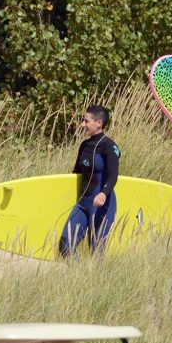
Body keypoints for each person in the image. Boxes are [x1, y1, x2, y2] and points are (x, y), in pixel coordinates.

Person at [59, 105, 121, 257]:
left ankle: (96, 278)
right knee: (65, 244)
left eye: (86, 121)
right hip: (82, 204)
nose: (83, 124)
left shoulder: (109, 146)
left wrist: (103, 193)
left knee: (96, 251)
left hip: (101, 205)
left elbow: (113, 175)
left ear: (99, 123)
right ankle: (76, 276)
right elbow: (76, 173)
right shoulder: (84, 145)